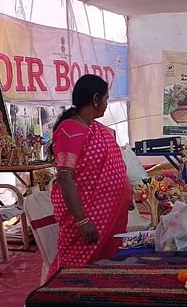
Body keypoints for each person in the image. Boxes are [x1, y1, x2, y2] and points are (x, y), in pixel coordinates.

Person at [51, 74, 132, 270]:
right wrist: (82, 220)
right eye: (106, 98)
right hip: (89, 218)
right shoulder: (71, 129)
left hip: (111, 216)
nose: (107, 103)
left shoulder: (97, 129)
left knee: (106, 266)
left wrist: (126, 193)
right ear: (96, 99)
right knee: (78, 269)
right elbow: (65, 176)